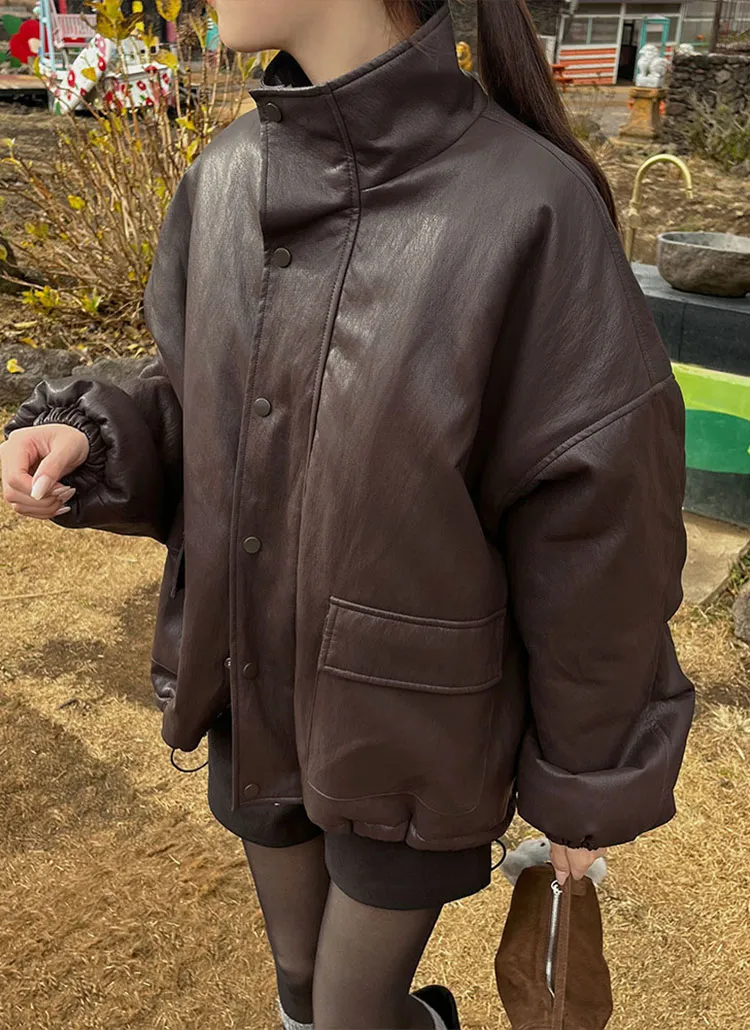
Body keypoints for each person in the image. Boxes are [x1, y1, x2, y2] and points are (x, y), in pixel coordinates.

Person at [0, 2, 695, 1028]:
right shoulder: (224, 177)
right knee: (299, 989)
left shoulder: (529, 206)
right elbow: (202, 400)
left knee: (348, 1015)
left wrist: (589, 776)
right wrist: (93, 438)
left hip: (410, 719)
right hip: (251, 685)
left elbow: (600, 524)